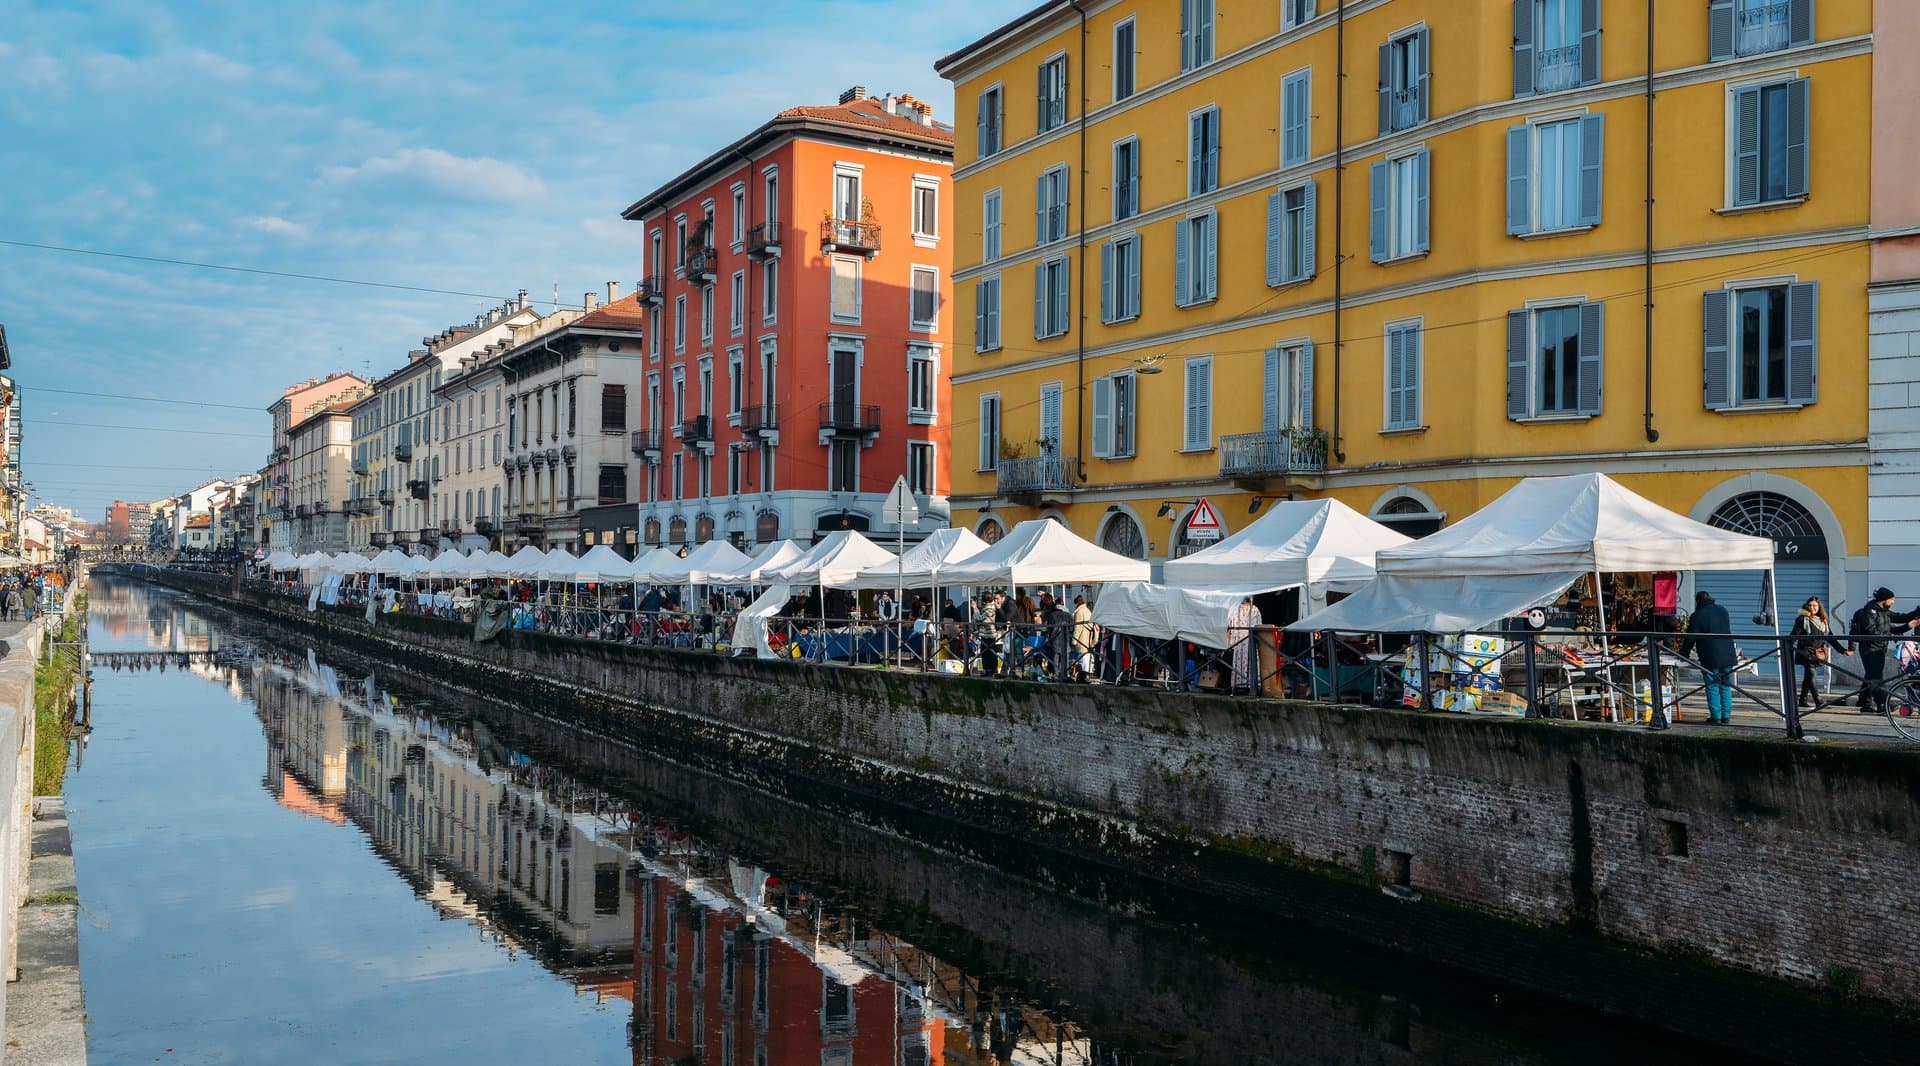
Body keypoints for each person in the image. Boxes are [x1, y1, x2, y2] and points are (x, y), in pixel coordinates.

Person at [1848, 587, 1920, 715]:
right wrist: (1889, 633)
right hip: (1870, 649)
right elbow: (1870, 631)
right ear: (1885, 599)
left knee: (1870, 675)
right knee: (1876, 677)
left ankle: (1865, 703)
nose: (1893, 602)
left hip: (1880, 648)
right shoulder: (1869, 611)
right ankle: (1882, 704)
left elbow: (1900, 618)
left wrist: (1911, 620)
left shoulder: (1884, 611)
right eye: (1892, 599)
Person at [1679, 590, 1737, 723]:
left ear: (1697, 601)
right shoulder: (1723, 610)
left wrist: (1684, 653)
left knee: (1712, 686)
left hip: (1710, 656)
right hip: (1728, 654)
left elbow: (1690, 638)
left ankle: (1716, 717)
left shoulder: (1697, 615)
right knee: (1726, 685)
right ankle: (1726, 716)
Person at [1789, 595, 1848, 709]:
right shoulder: (1802, 619)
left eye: (1815, 605)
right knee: (1811, 674)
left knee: (1808, 676)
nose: (1812, 608)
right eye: (1810, 605)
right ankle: (1819, 701)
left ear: (1819, 607)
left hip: (1818, 652)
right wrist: (1787, 648)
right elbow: (1794, 635)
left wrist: (1842, 650)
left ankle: (1803, 700)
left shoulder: (1823, 621)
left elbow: (1830, 638)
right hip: (1806, 651)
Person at [1071, 594, 1096, 681]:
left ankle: (1084, 675)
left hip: (1082, 637)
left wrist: (1074, 641)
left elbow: (1078, 628)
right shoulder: (1087, 610)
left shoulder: (1079, 612)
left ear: (1076, 603)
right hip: (1089, 636)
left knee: (1083, 655)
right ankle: (1087, 674)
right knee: (1087, 654)